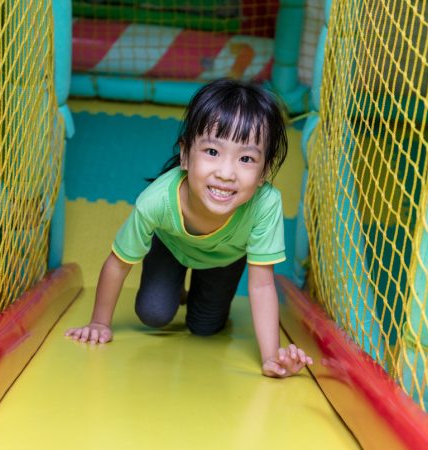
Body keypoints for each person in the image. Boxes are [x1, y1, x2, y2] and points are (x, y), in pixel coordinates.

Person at [65, 78, 313, 378]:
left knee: (205, 328)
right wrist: (99, 323)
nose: (225, 173)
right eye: (212, 152)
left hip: (224, 259)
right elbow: (118, 264)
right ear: (185, 154)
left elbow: (261, 284)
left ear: (265, 171)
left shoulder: (266, 204)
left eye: (246, 159)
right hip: (171, 248)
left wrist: (271, 357)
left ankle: (195, 293)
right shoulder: (156, 201)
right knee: (153, 314)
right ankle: (176, 287)